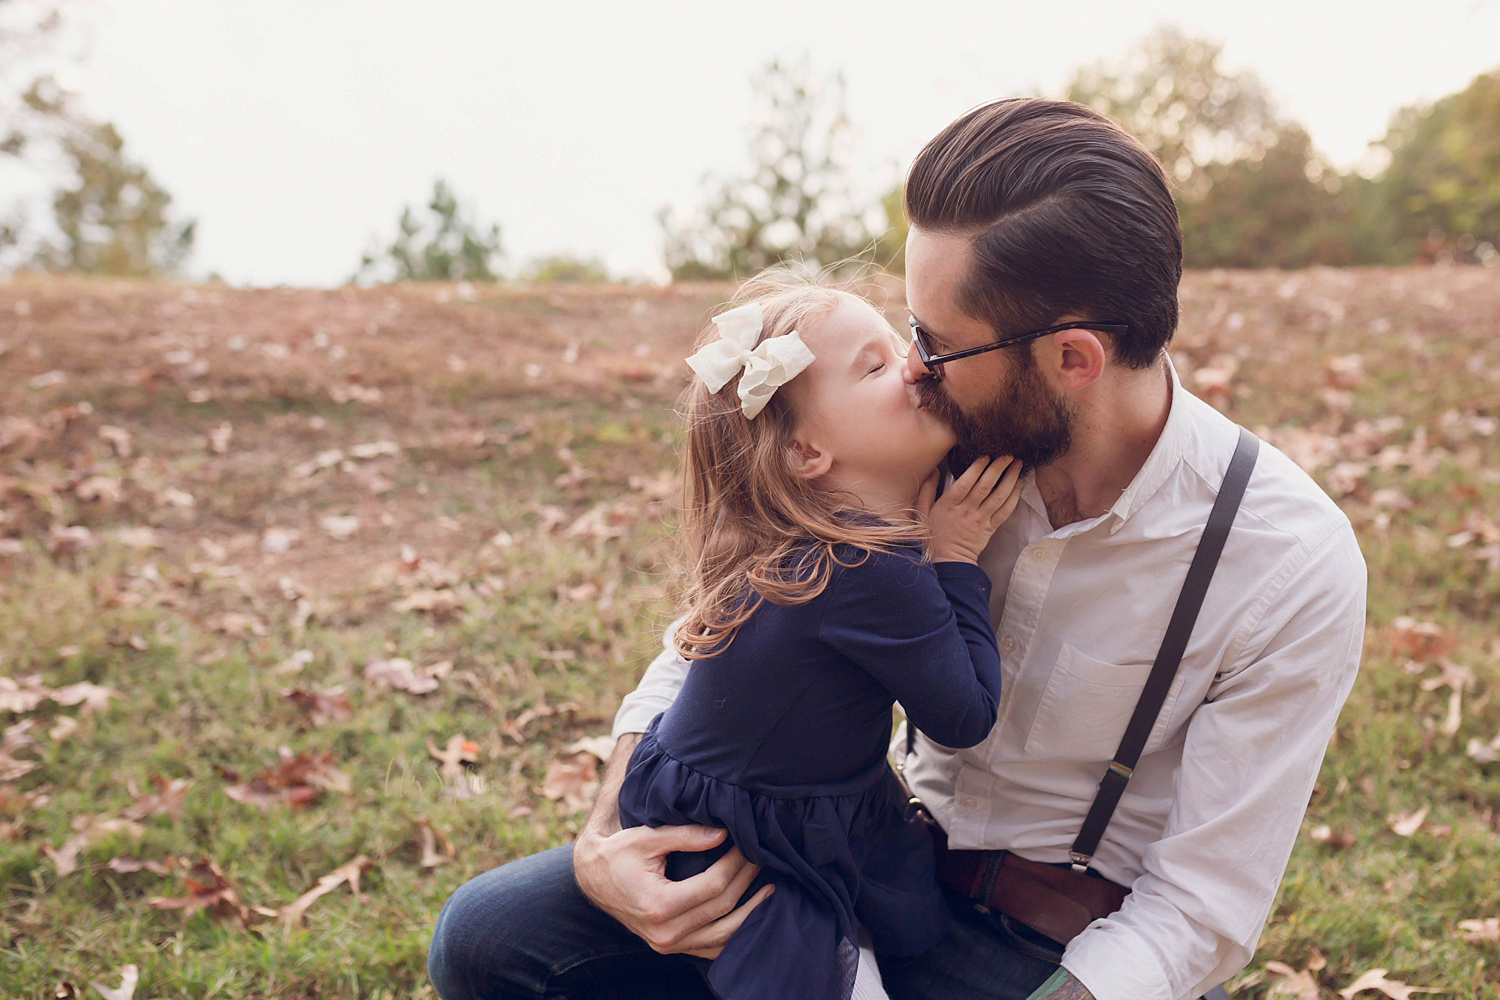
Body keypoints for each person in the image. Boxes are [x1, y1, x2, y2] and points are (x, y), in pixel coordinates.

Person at [430, 97, 1367, 1000]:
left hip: (1051, 950)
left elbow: (1202, 910)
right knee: (490, 940)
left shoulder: (1284, 560)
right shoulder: (911, 442)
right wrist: (605, 841)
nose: (915, 367)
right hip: (844, 867)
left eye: (937, 341)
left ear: (1071, 359)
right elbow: (716, 636)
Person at [428, 271, 1024, 1000]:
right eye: (876, 365)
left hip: (704, 802)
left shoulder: (792, 544)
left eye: (902, 342)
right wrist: (957, 558)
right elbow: (965, 716)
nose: (915, 363)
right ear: (807, 452)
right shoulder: (874, 570)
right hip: (748, 850)